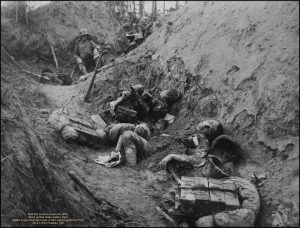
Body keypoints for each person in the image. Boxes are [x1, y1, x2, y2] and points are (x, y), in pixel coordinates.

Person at [157, 119, 224, 176]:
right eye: (210, 122)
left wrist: (173, 156)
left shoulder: (204, 144)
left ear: (209, 136)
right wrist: (169, 137)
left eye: (209, 128)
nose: (206, 124)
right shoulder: (195, 130)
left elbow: (197, 160)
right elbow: (182, 137)